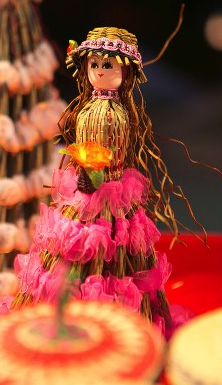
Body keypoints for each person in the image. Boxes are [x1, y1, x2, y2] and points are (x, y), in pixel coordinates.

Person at [12, 27, 195, 337]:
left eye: (107, 65)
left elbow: (113, 154)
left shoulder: (115, 115)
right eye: (94, 64)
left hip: (106, 190)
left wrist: (97, 175)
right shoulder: (89, 109)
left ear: (126, 71)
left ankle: (107, 325)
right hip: (84, 188)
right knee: (72, 251)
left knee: (111, 255)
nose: (98, 70)